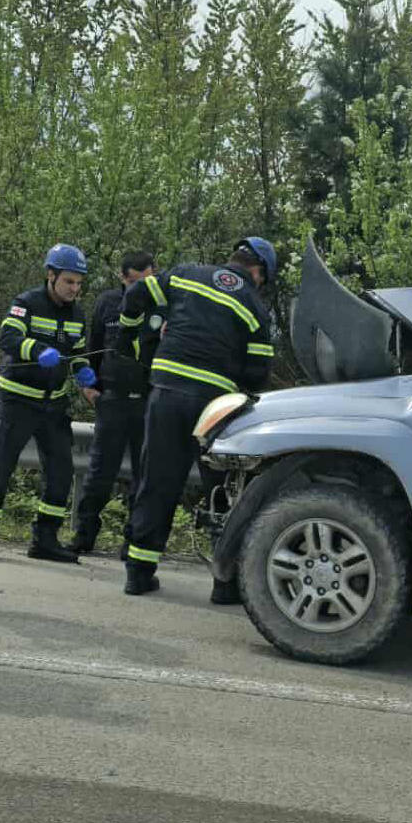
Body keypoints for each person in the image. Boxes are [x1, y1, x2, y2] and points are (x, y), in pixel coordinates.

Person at [115, 237, 277, 599]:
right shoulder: (254, 305)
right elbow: (257, 372)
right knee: (222, 491)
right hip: (216, 407)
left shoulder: (187, 274)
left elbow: (137, 294)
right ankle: (225, 583)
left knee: (157, 481)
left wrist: (130, 335)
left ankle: (138, 573)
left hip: (167, 393)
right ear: (258, 272)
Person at [0, 244, 97, 564]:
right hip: (17, 402)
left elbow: (77, 353)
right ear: (51, 275)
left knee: (61, 473)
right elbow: (8, 338)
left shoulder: (78, 315)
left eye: (79, 283)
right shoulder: (26, 303)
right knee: (0, 470)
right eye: (69, 281)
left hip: (53, 406)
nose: (74, 289)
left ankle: (45, 539)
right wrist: (38, 350)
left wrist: (84, 372)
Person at [69, 249, 160, 555]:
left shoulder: (164, 305)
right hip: (112, 399)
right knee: (99, 473)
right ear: (123, 278)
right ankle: (84, 536)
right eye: (135, 282)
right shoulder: (107, 302)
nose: (141, 288)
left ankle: (133, 541)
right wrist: (88, 387)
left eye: (147, 281)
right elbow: (92, 346)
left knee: (142, 476)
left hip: (148, 402)